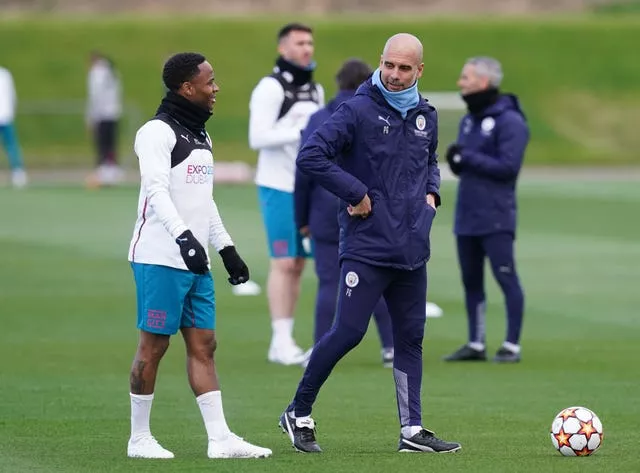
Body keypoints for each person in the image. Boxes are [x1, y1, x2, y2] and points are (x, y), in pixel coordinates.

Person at [278, 33, 461, 454]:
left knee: (410, 339)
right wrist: (356, 193)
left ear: (419, 71)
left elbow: (430, 161)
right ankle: (298, 411)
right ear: (381, 63)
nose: (395, 76)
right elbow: (312, 156)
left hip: (412, 248)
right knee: (347, 332)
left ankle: (412, 430)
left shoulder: (425, 115)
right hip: (367, 248)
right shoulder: (356, 110)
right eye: (389, 66)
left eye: (404, 68)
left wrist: (432, 196)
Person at [126, 52, 272, 459]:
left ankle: (220, 439)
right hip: (160, 258)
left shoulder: (200, 135)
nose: (216, 88)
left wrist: (225, 247)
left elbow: (203, 200)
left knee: (204, 344)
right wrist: (183, 239)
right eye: (209, 81)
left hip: (196, 261)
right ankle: (139, 439)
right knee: (153, 346)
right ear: (186, 88)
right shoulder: (156, 133)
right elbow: (156, 192)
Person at [295, 58, 395, 368]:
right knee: (372, 279)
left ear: (338, 83)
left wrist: (302, 219)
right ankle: (391, 348)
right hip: (370, 208)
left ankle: (318, 350)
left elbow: (304, 172)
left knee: (328, 281)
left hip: (325, 209)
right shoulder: (379, 115)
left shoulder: (318, 118)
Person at [442, 56, 529, 363]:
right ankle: (476, 343)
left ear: (482, 82)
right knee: (471, 280)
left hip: (496, 215)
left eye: (465, 78)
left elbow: (508, 167)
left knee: (506, 277)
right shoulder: (469, 119)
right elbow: (468, 164)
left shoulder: (510, 121)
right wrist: (457, 160)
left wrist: (467, 157)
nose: (460, 83)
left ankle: (511, 344)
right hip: (467, 214)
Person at [249, 23, 324, 365]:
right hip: (277, 186)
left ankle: (285, 337)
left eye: (310, 42)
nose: (307, 48)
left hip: (306, 187)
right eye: (299, 43)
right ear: (283, 48)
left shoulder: (316, 90)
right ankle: (280, 340)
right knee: (282, 261)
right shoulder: (270, 87)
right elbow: (257, 137)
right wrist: (299, 130)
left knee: (297, 264)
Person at [86, 51, 124, 187]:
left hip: (102, 114)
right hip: (114, 112)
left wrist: (91, 117)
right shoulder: (113, 71)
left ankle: (103, 172)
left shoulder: (96, 73)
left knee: (102, 143)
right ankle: (112, 171)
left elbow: (94, 96)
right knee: (111, 142)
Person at [0, 66, 27, 188]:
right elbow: (12, 95)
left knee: (11, 146)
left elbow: (11, 95)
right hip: (7, 115)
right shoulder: (5, 74)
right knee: (11, 146)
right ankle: (18, 174)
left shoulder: (5, 74)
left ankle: (18, 172)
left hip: (5, 115)